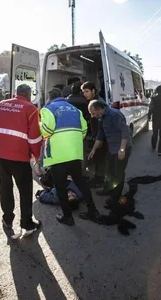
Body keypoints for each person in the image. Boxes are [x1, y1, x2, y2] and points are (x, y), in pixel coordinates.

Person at [40, 88, 102, 226]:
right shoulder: (74, 110)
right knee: (80, 182)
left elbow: (47, 130)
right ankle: (93, 210)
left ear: (50, 98)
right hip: (75, 153)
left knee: (60, 187)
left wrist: (40, 127)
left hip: (58, 155)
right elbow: (84, 129)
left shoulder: (48, 109)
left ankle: (68, 217)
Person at [0, 84, 43, 234]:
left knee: (5, 186)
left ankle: (7, 219)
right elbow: (34, 138)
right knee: (25, 190)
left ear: (16, 93)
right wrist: (37, 157)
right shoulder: (31, 109)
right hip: (19, 156)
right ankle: (27, 223)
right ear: (28, 94)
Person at [88, 100, 132, 208]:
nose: (93, 116)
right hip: (112, 148)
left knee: (118, 173)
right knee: (110, 171)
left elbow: (125, 132)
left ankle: (116, 199)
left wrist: (122, 150)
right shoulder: (102, 118)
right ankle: (108, 190)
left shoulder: (114, 114)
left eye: (94, 113)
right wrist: (93, 150)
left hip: (122, 148)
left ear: (99, 109)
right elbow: (100, 135)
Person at [81, 81, 108, 188]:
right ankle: (98, 178)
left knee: (100, 158)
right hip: (96, 135)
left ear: (93, 91)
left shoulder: (98, 103)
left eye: (87, 91)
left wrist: (99, 138)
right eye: (83, 92)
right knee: (97, 158)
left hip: (100, 136)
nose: (85, 94)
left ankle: (99, 179)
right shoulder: (93, 101)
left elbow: (102, 122)